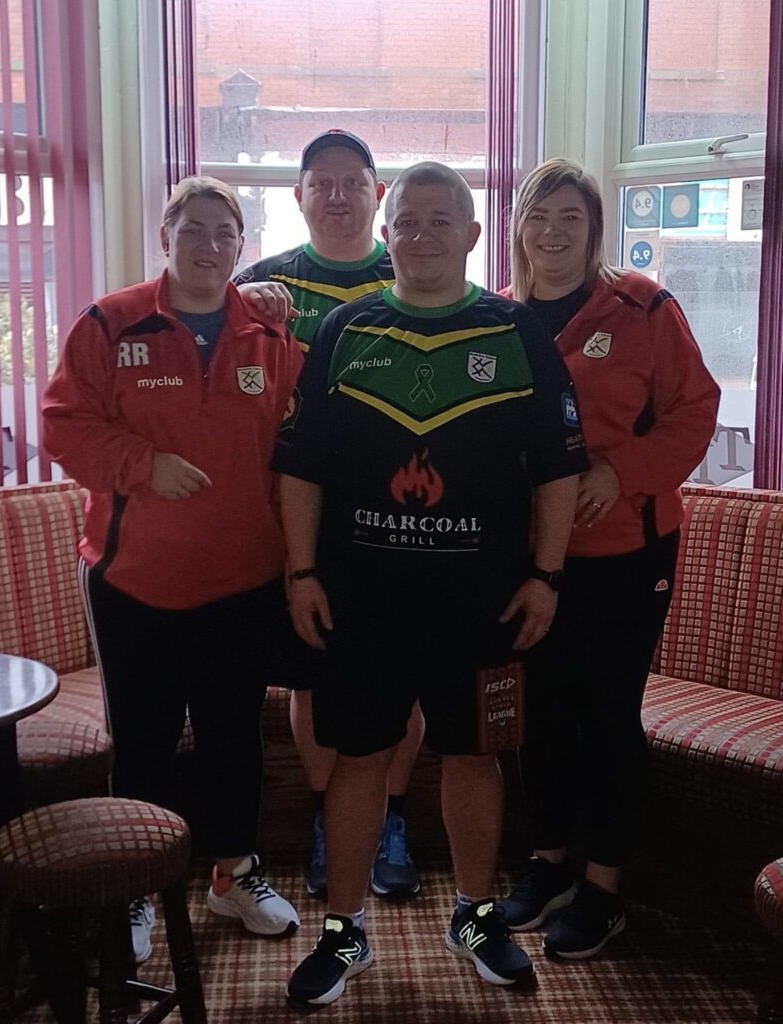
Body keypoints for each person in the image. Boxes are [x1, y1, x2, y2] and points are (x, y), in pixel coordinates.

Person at [275, 161, 588, 1006]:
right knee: (358, 759)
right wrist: (301, 572)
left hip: (481, 604)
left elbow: (561, 467)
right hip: (358, 599)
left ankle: (476, 915)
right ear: (387, 233)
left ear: (475, 235)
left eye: (440, 220)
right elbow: (298, 465)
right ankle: (344, 933)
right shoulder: (345, 329)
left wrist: (546, 577)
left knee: (475, 755)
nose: (420, 235)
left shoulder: (517, 333)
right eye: (406, 221)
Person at [41, 176, 302, 963]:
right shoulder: (109, 324)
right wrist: (142, 465)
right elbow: (62, 427)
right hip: (134, 584)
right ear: (166, 237)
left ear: (242, 247)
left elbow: (297, 444)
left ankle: (233, 876)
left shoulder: (268, 331)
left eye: (227, 233)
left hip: (242, 582)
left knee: (233, 740)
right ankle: (137, 892)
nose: (210, 246)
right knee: (146, 741)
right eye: (195, 229)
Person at [497, 158, 719, 959]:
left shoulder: (644, 308)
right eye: (538, 217)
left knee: (607, 717)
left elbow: (697, 413)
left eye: (571, 219)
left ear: (595, 231)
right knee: (541, 714)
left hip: (627, 550)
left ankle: (603, 886)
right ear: (519, 227)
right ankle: (548, 858)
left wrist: (620, 473)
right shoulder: (497, 316)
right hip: (529, 557)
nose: (552, 233)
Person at [235, 130, 425, 900]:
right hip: (300, 524)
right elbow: (189, 328)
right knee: (313, 681)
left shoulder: (413, 274)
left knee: (404, 680)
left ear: (379, 196)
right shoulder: (259, 284)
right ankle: (328, 818)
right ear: (300, 196)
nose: (340, 195)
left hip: (402, 519)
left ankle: (394, 822)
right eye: (325, 183)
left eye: (356, 182)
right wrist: (232, 306)